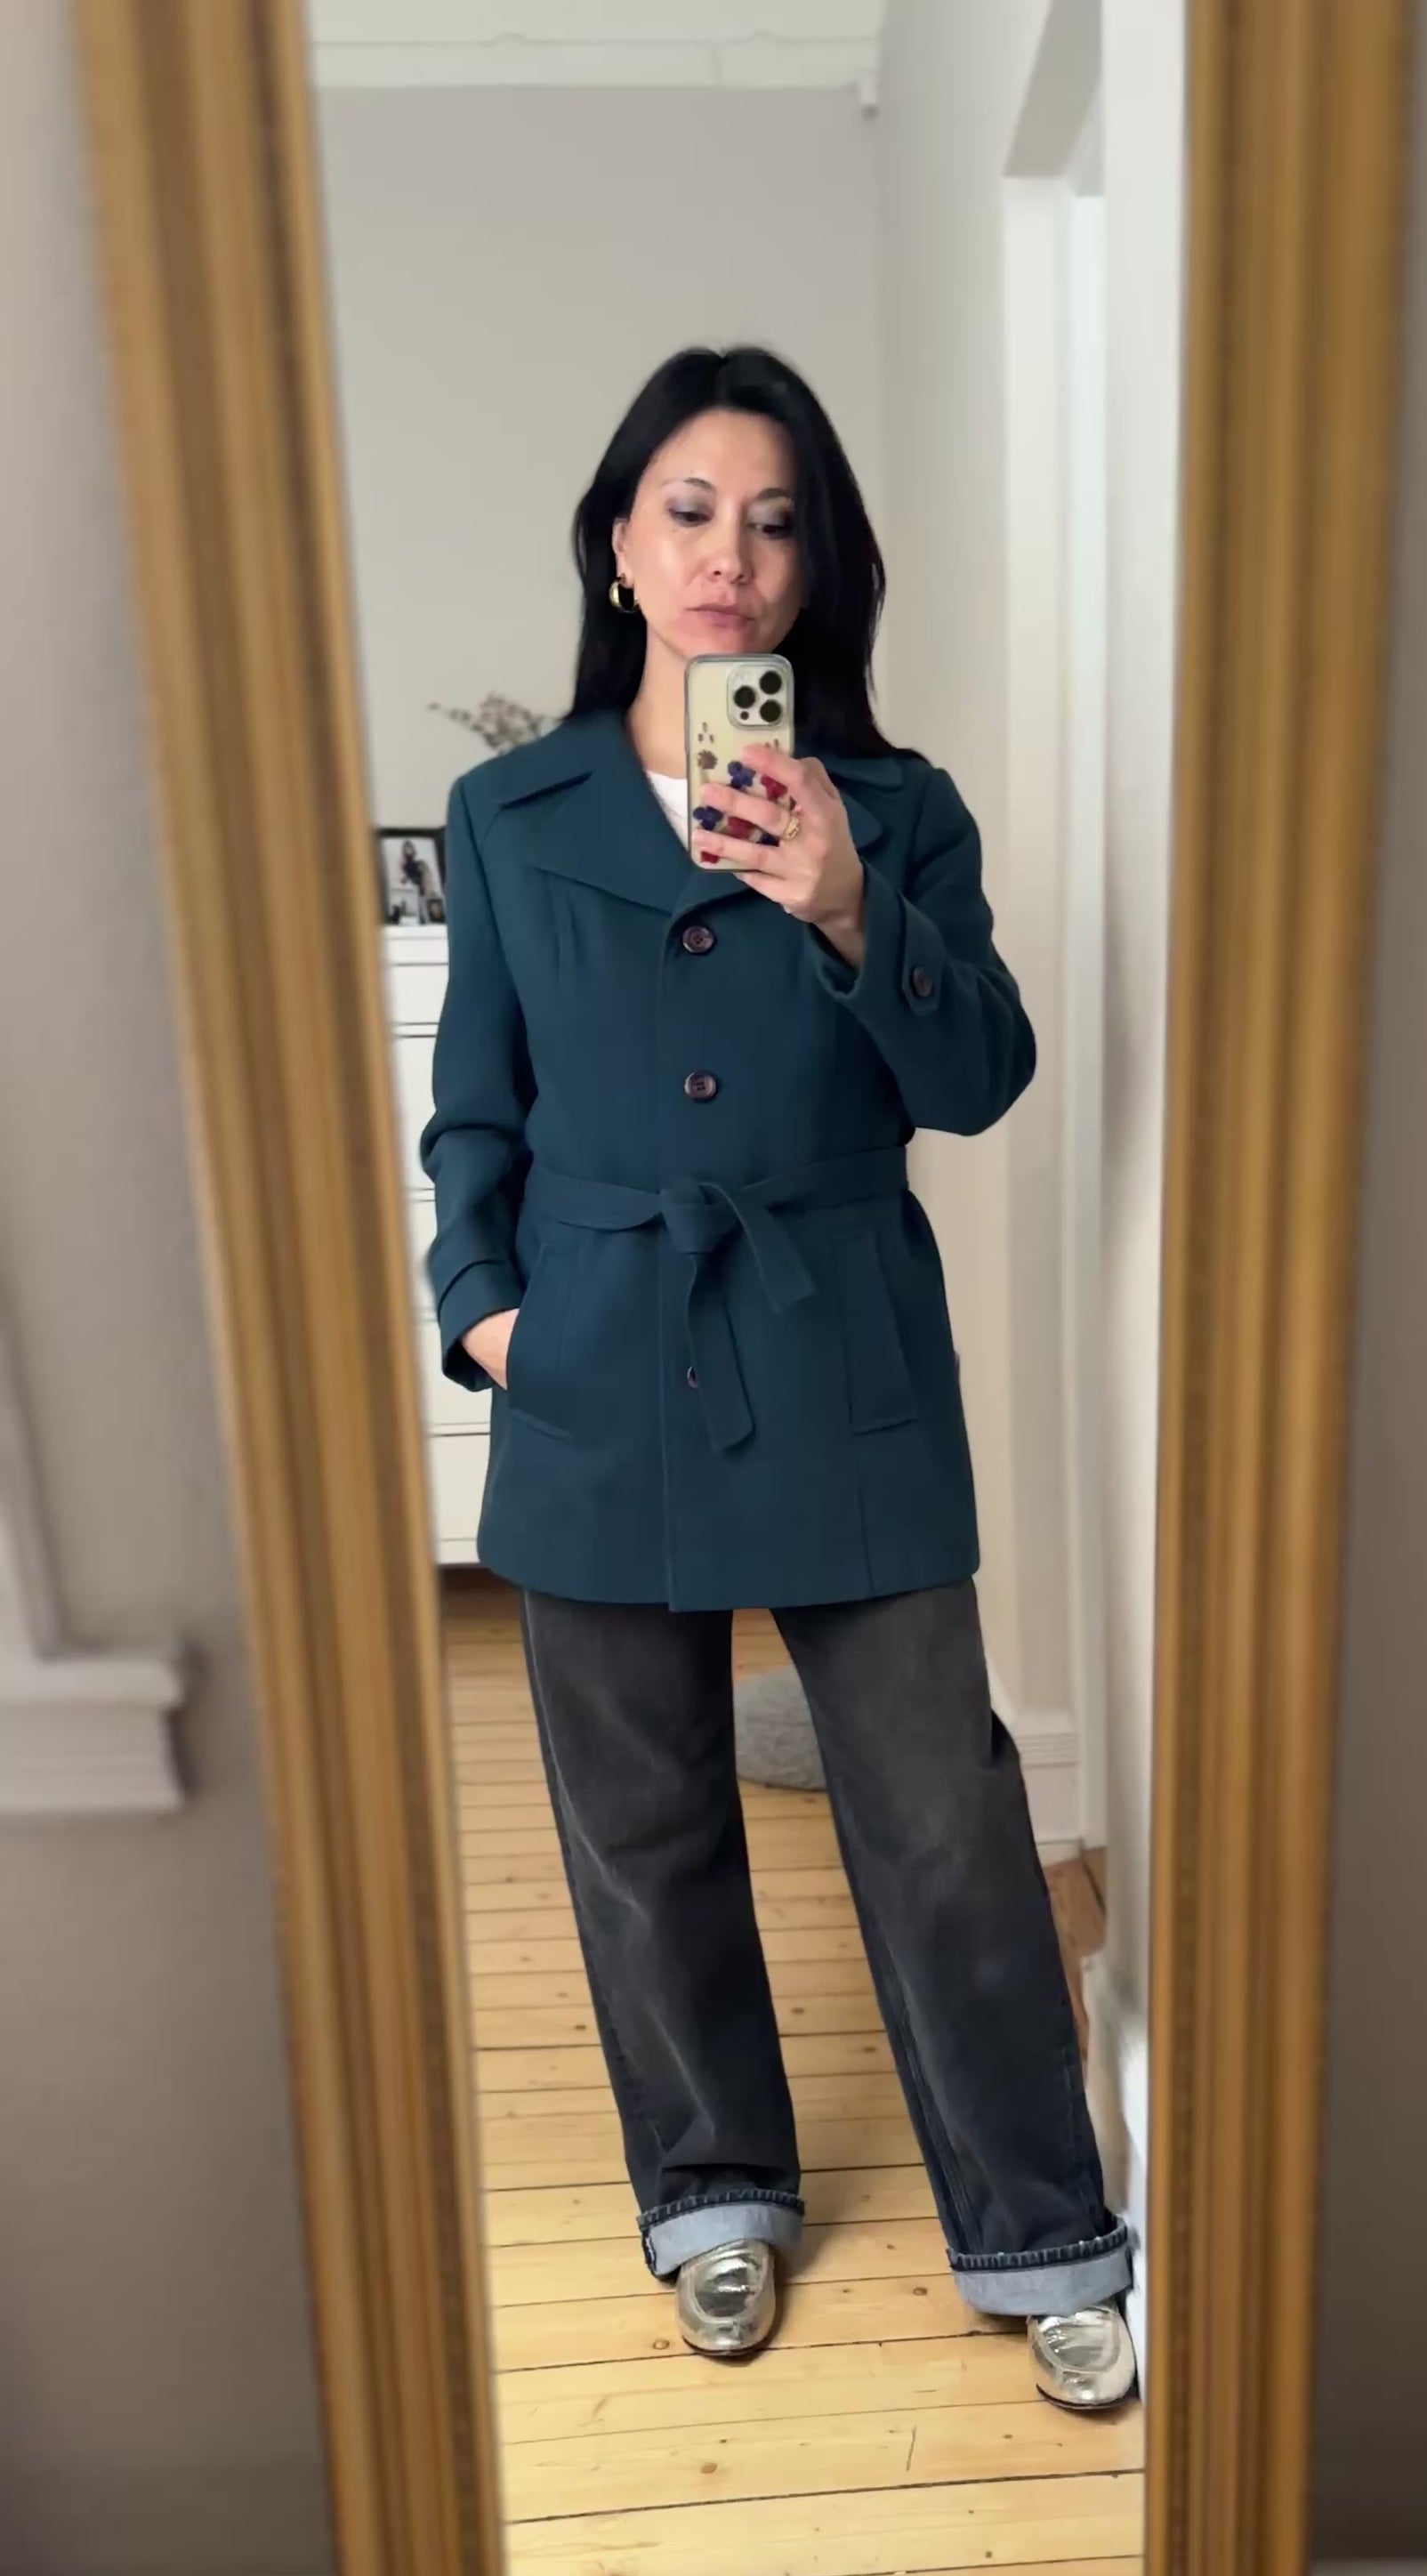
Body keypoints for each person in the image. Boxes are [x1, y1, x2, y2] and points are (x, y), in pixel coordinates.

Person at [421, 344, 1135, 2409]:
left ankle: (1039, 2222)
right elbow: (474, 1111)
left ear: (817, 567)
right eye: (689, 509)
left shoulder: (894, 811)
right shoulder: (509, 811)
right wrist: (489, 1312)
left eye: (775, 518)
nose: (729, 553)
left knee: (940, 1812)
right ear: (617, 548)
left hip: (842, 1342)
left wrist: (841, 900)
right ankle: (712, 2191)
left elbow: (978, 1076)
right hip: (593, 1349)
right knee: (639, 1819)